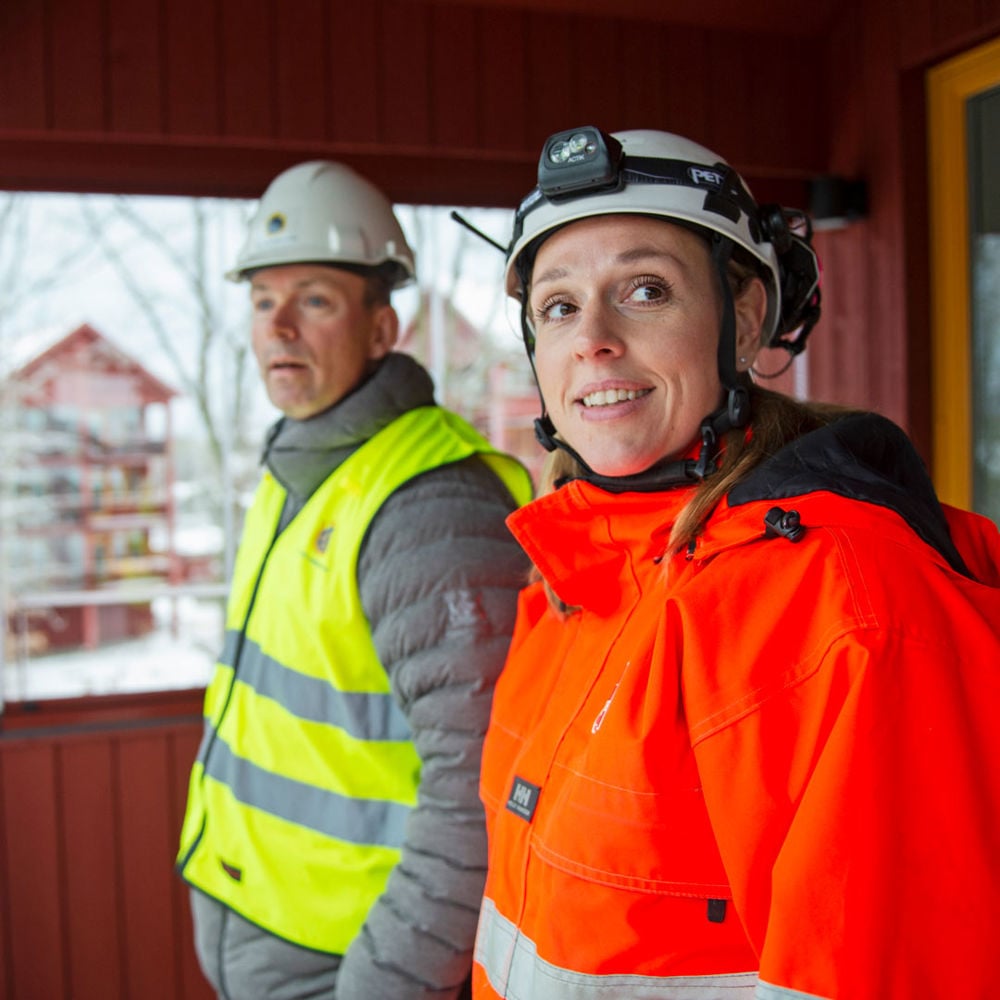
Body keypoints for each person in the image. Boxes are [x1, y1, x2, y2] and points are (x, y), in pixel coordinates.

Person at [471, 126, 1000, 999]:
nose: (592, 339)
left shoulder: (846, 602)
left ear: (746, 318)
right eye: (559, 306)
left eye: (645, 290)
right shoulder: (572, 581)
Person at [176, 159, 533, 1000]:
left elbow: (475, 791)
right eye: (263, 301)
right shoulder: (297, 468)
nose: (279, 328)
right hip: (253, 919)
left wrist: (384, 985)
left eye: (316, 300)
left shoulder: (426, 506)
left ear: (382, 329)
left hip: (349, 959)